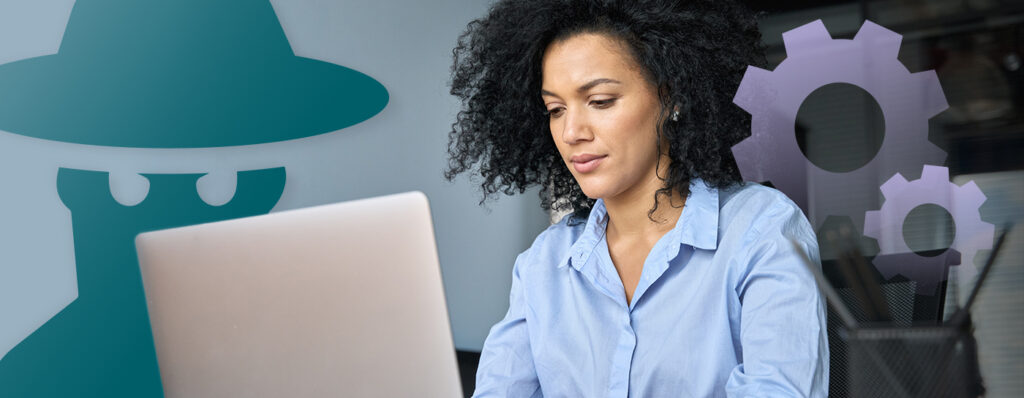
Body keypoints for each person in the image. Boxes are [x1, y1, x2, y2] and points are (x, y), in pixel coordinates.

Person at [445, 0, 828, 396]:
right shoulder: (544, 265)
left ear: (674, 96)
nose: (571, 131)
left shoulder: (761, 231)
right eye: (555, 109)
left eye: (600, 101)